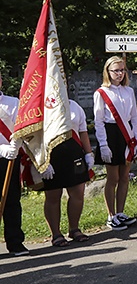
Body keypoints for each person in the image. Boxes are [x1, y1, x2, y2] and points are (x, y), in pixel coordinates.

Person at [94, 56, 137, 231]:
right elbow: (98, 121)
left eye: (122, 70)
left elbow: (135, 117)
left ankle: (121, 212)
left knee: (124, 177)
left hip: (127, 134)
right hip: (111, 134)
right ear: (108, 72)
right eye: (116, 70)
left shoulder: (128, 91)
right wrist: (103, 145)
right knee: (112, 178)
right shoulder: (101, 93)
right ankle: (111, 215)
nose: (120, 74)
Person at [42, 101, 93, 247]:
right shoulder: (42, 105)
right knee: (53, 196)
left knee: (77, 193)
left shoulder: (74, 106)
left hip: (74, 153)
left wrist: (89, 153)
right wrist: (42, 161)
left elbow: (82, 131)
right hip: (51, 157)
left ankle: (74, 229)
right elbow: (36, 135)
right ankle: (56, 233)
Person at [0, 70, 29, 256]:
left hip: (10, 158)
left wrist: (15, 145)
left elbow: (21, 127)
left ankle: (15, 242)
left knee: (11, 200)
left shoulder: (13, 102)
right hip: (2, 152)